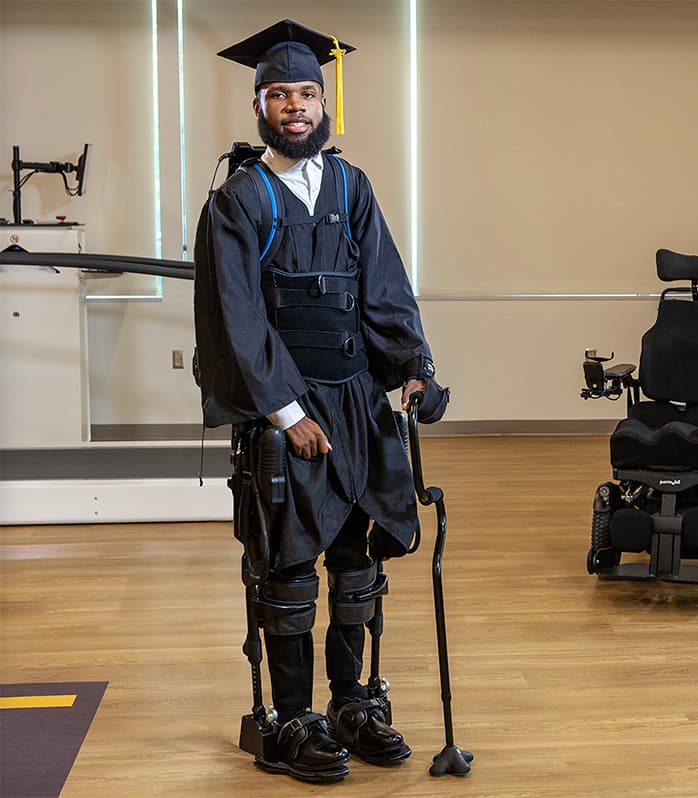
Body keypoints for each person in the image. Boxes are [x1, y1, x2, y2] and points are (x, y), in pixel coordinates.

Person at [193, 19, 449, 784]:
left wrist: (413, 370)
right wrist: (286, 412)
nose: (296, 107)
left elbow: (384, 290)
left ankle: (353, 704)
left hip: (360, 407)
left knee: (355, 563)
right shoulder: (240, 200)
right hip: (291, 415)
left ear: (324, 99)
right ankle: (296, 717)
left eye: (307, 93)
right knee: (292, 571)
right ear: (259, 105)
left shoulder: (350, 185)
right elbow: (237, 318)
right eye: (281, 95)